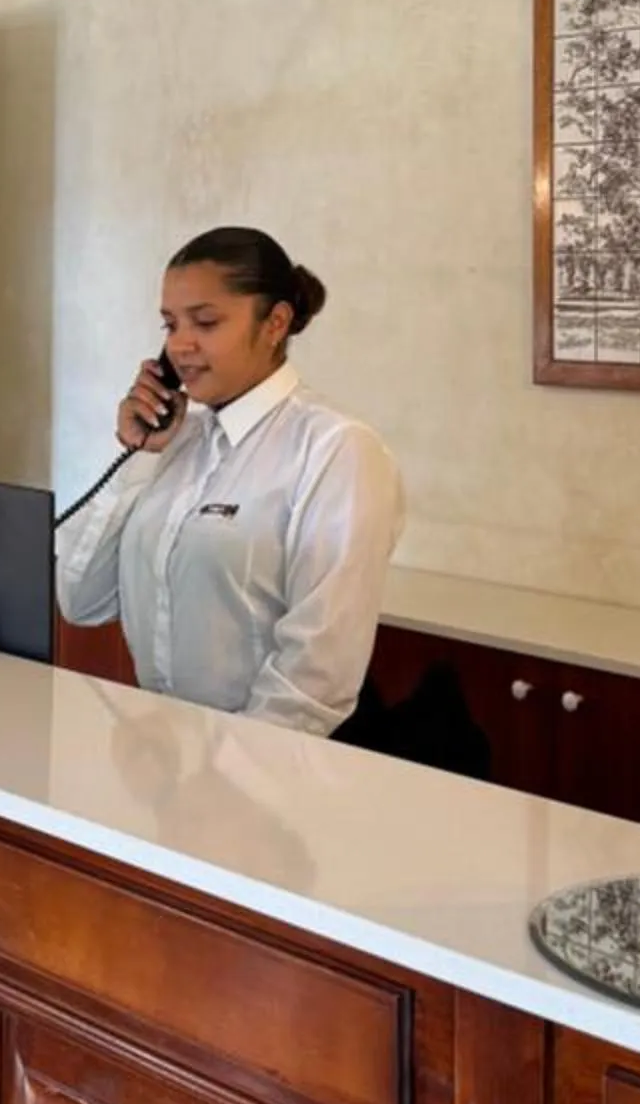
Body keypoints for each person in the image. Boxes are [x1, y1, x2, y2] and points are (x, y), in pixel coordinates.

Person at [56, 227, 405, 738]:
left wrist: (227, 782)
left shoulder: (337, 448)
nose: (179, 346)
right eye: (170, 324)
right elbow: (81, 600)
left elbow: (316, 675)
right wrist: (139, 454)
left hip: (265, 775)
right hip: (161, 761)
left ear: (276, 323)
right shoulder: (177, 442)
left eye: (206, 322)